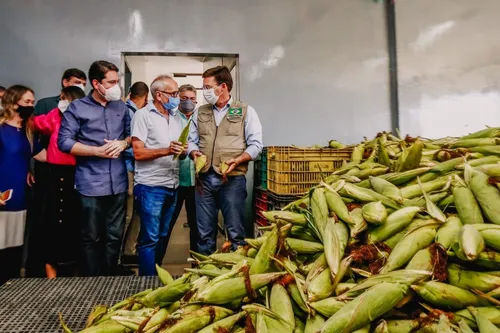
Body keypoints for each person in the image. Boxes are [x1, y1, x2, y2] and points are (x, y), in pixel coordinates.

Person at [58, 60, 130, 276]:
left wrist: (123, 143)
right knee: (91, 236)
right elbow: (64, 142)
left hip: (117, 183)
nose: (116, 86)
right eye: (111, 82)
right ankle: (92, 281)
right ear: (96, 83)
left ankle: (109, 277)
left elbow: (130, 136)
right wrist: (96, 151)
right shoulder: (77, 108)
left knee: (115, 235)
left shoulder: (121, 107)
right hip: (90, 184)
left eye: (118, 81)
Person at [188, 66, 263, 255]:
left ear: (222, 86)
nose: (204, 91)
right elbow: (191, 141)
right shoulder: (200, 112)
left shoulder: (246, 111)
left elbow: (256, 145)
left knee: (235, 232)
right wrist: (193, 153)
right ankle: (204, 276)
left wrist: (238, 160)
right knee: (203, 233)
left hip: (232, 180)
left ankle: (234, 276)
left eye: (207, 87)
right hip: (204, 180)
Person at [27, 68, 87, 277]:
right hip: (53, 174)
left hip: (78, 174)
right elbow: (32, 125)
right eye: (61, 98)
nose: (61, 102)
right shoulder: (54, 115)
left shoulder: (84, 119)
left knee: (75, 224)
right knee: (50, 223)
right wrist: (35, 153)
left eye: (65, 99)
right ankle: (50, 273)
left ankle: (74, 271)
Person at [131, 75, 186, 276]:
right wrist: (167, 150)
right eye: (173, 93)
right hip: (150, 187)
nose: (177, 97)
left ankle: (156, 274)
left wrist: (183, 151)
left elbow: (176, 149)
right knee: (150, 238)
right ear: (159, 95)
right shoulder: (142, 116)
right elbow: (138, 152)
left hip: (172, 185)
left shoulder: (177, 118)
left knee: (163, 235)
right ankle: (146, 281)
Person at [0, 85, 44, 285]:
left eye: (32, 102)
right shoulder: (1, 128)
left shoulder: (28, 130)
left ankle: (12, 286)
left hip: (20, 193)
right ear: (13, 102)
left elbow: (41, 155)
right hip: (3, 192)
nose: (30, 106)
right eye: (26, 102)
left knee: (15, 242)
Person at [166, 84, 198, 252]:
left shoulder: (201, 118)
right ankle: (154, 270)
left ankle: (198, 267)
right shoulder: (170, 117)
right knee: (166, 226)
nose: (188, 102)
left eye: (192, 98)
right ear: (178, 98)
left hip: (196, 184)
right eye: (184, 98)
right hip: (175, 182)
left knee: (197, 227)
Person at [121, 81, 149, 265]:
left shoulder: (127, 110)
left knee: (137, 212)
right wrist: (148, 150)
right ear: (146, 97)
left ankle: (128, 251)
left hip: (136, 169)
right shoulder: (130, 113)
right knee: (128, 213)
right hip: (128, 168)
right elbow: (126, 145)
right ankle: (117, 256)